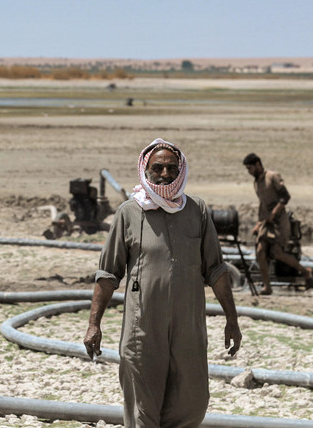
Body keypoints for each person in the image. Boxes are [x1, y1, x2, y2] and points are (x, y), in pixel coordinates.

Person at [83, 138, 242, 428]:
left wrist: (232, 319)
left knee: (192, 403)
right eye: (158, 168)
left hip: (188, 328)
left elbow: (216, 270)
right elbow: (107, 274)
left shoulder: (197, 210)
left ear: (181, 170)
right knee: (142, 408)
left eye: (172, 168)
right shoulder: (129, 213)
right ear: (146, 170)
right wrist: (94, 324)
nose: (165, 174)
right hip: (143, 328)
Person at [242, 153, 313, 295]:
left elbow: (285, 197)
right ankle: (267, 286)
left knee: (277, 252)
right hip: (266, 222)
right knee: (260, 251)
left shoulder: (272, 177)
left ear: (258, 164)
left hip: (280, 221)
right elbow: (263, 205)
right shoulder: (256, 183)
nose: (249, 172)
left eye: (250, 168)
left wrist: (274, 214)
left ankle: (305, 271)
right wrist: (259, 223)